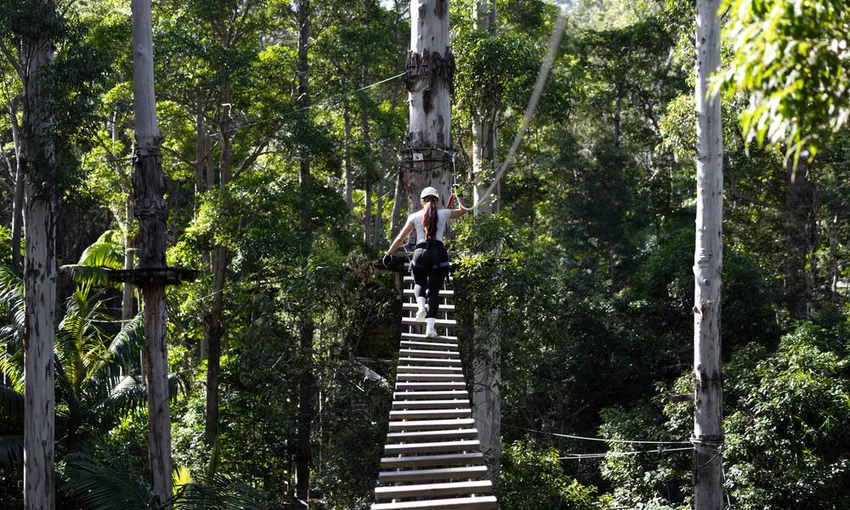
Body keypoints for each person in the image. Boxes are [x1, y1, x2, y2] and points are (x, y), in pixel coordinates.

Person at [384, 186, 467, 337]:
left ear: (422, 201)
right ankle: (430, 328)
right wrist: (459, 195)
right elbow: (463, 210)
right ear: (437, 200)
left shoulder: (415, 216)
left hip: (420, 253)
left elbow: (400, 238)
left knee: (419, 284)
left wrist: (389, 253)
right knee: (434, 292)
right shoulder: (444, 213)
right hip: (439, 253)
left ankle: (421, 306)